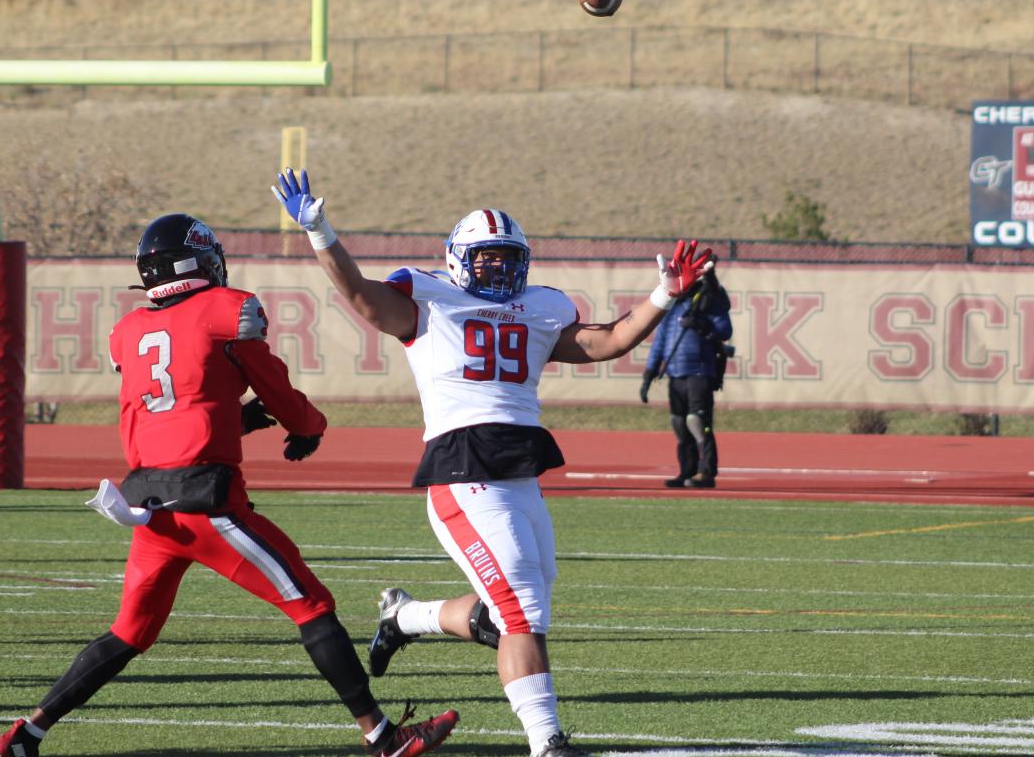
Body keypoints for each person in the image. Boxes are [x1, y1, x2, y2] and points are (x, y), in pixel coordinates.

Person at [271, 169, 712, 757]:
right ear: (458, 259)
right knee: (521, 607)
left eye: (507, 258)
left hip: (519, 469)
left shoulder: (541, 306)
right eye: (486, 260)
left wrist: (666, 296)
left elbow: (604, 341)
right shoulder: (427, 298)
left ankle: (406, 617)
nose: (499, 269)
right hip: (463, 468)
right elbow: (361, 297)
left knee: (518, 607)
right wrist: (321, 231)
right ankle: (546, 742)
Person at [0, 213, 458, 757]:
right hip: (205, 505)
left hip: (147, 505)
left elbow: (176, 410)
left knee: (128, 634)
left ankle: (25, 735)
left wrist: (245, 421)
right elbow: (278, 390)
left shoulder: (128, 332)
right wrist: (308, 426)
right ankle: (383, 738)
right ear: (201, 263)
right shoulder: (227, 309)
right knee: (311, 605)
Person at [640, 266, 732, 488]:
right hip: (675, 373)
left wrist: (701, 324)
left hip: (699, 371)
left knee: (697, 422)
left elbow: (724, 329)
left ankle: (706, 472)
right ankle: (687, 471)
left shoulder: (709, 300)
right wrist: (649, 374)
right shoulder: (671, 306)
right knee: (680, 424)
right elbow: (660, 342)